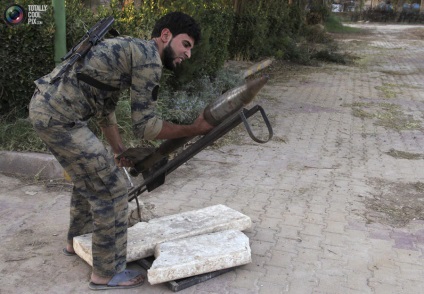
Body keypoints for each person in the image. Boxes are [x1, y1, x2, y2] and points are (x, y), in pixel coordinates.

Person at [29, 12, 213, 290]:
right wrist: (194, 128)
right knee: (112, 189)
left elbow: (106, 114)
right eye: (185, 44)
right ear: (166, 36)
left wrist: (119, 151)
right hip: (61, 119)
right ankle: (106, 273)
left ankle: (76, 242)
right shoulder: (149, 59)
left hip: (47, 109)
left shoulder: (128, 50)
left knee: (89, 178)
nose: (187, 53)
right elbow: (147, 126)